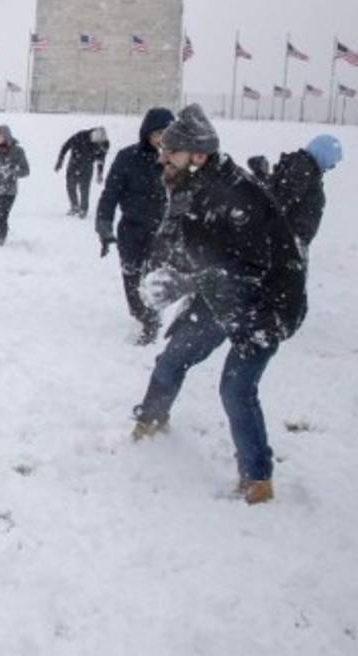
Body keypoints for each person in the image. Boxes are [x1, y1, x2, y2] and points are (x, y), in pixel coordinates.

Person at [130, 105, 306, 506]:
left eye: (169, 153)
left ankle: (257, 479)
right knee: (173, 358)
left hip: (266, 306)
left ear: (198, 155)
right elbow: (186, 241)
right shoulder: (194, 185)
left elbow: (247, 270)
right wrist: (166, 272)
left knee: (236, 388)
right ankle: (150, 422)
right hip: (218, 296)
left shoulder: (239, 196)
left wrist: (187, 281)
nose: (162, 158)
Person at [95, 107, 174, 344]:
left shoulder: (178, 160)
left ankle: (151, 320)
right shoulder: (127, 157)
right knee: (131, 275)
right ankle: (140, 312)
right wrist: (104, 226)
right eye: (158, 132)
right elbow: (110, 194)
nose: (162, 138)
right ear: (147, 133)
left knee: (153, 276)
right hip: (132, 228)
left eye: (168, 133)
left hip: (163, 232)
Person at [263, 134, 342, 253]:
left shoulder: (305, 167)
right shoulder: (302, 169)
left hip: (288, 241)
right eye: (332, 162)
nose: (332, 167)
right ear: (323, 154)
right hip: (286, 244)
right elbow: (280, 201)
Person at [55, 126, 109, 217]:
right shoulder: (80, 136)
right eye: (96, 144)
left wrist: (99, 173)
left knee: (84, 188)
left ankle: (83, 209)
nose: (98, 147)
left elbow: (101, 160)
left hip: (87, 166)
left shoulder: (104, 144)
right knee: (70, 185)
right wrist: (60, 162)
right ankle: (74, 206)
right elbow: (65, 147)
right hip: (74, 163)